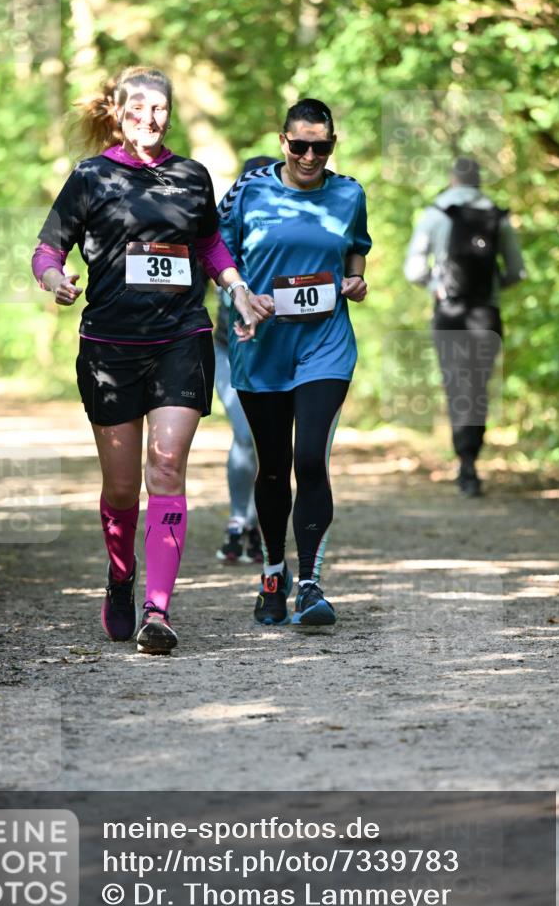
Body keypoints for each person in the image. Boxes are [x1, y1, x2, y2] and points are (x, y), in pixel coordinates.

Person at [32, 66, 262, 654]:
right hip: (110, 347)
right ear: (118, 113)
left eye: (159, 108)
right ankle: (120, 575)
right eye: (137, 108)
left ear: (170, 113)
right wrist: (56, 279)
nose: (148, 118)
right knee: (120, 488)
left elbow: (209, 245)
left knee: (166, 468)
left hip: (181, 337)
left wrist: (236, 288)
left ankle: (157, 611)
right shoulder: (91, 176)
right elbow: (47, 249)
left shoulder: (191, 176)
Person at [218, 99, 372, 627]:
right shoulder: (249, 190)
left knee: (309, 458)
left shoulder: (349, 192)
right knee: (272, 468)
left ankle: (310, 583)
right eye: (300, 145)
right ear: (283, 141)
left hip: (326, 344)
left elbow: (356, 247)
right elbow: (217, 254)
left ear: (332, 145)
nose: (310, 156)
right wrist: (241, 297)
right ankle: (271, 574)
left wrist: (356, 278)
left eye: (320, 147)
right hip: (261, 347)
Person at [404, 157, 525, 496]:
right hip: (487, 312)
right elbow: (517, 270)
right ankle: (472, 457)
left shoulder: (436, 212)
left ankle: (464, 462)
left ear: (452, 179)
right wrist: (493, 287)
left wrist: (436, 286)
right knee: (478, 385)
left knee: (456, 382)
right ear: (479, 180)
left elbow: (414, 270)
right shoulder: (497, 215)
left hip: (450, 311)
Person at [213, 156, 277, 565]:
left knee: (270, 442)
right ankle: (240, 520)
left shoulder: (290, 234)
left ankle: (259, 522)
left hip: (280, 354)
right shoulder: (222, 231)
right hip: (228, 349)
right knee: (244, 433)